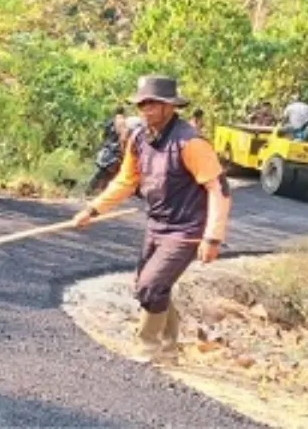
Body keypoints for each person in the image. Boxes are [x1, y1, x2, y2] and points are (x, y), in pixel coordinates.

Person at [72, 75, 232, 364]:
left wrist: (212, 237)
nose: (146, 109)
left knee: (151, 286)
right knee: (152, 286)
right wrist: (93, 210)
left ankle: (147, 348)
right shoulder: (139, 139)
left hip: (186, 229)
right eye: (142, 104)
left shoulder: (190, 143)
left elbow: (218, 188)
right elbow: (126, 180)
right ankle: (169, 350)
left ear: (170, 106)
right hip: (157, 223)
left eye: (153, 104)